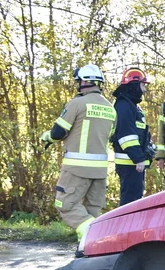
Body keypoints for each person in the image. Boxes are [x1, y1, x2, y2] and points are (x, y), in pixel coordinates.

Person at [40, 64, 116, 238]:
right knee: (93, 210)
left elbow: (58, 132)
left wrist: (47, 137)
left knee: (65, 204)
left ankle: (94, 235)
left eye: (79, 81)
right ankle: (90, 247)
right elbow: (110, 135)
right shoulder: (111, 108)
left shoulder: (77, 103)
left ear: (84, 82)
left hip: (76, 168)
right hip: (100, 170)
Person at [110, 67, 155, 205]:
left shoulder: (132, 105)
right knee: (130, 203)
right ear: (134, 85)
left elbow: (140, 134)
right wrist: (138, 158)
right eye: (142, 85)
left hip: (134, 163)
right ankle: (124, 227)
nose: (144, 89)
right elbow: (126, 136)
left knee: (135, 200)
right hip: (130, 163)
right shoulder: (124, 105)